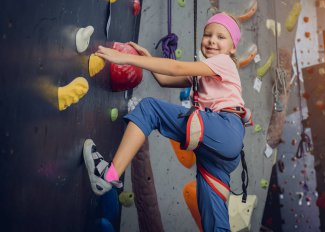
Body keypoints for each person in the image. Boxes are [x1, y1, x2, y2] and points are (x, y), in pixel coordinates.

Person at [83, 12, 249, 231]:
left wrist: (127, 58)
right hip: (220, 152)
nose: (212, 40)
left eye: (220, 37)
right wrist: (147, 59)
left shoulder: (224, 62)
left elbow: (177, 68)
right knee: (214, 218)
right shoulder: (203, 73)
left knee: (149, 108)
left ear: (232, 48)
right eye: (208, 34)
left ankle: (108, 175)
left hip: (225, 129)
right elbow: (165, 79)